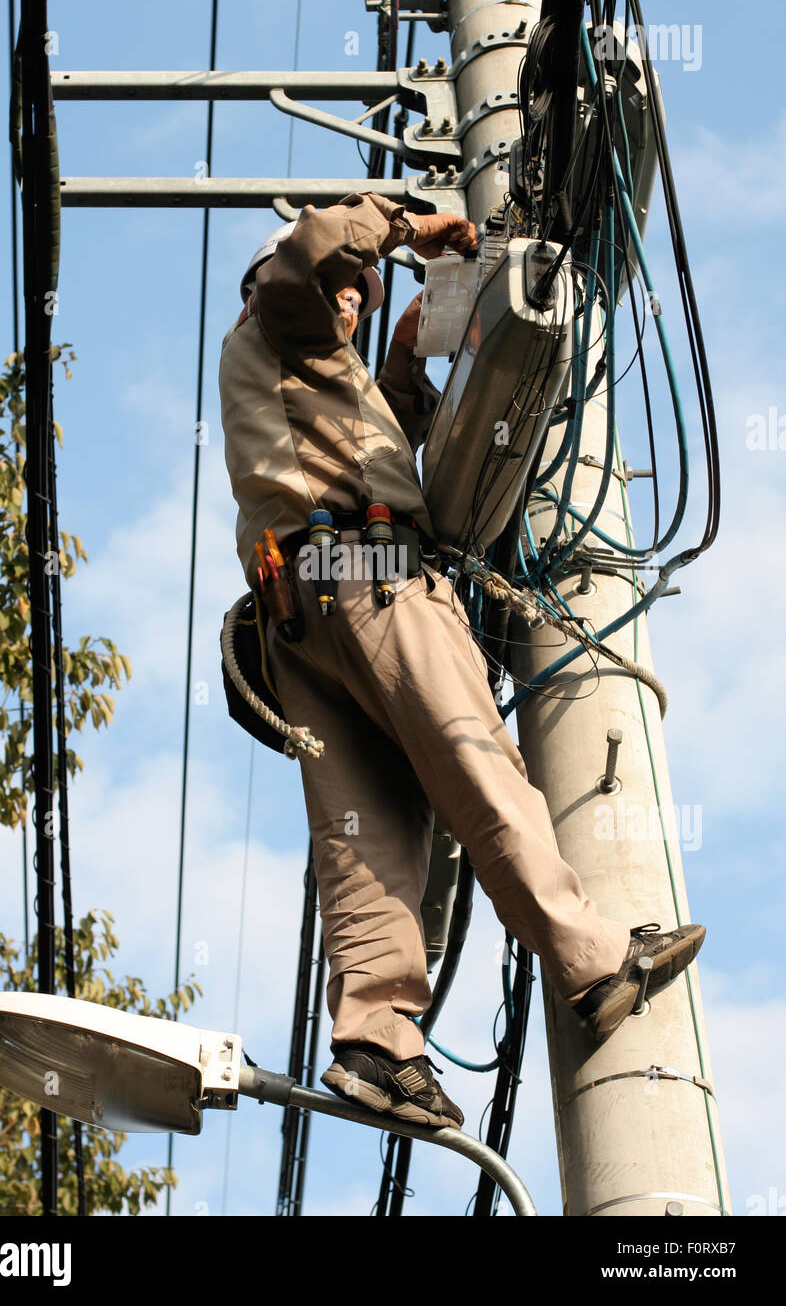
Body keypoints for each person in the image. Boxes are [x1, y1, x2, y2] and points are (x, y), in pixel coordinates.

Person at [218, 192, 705, 1131]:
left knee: (368, 844)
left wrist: (405, 350)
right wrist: (406, 225)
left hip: (303, 624)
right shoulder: (277, 312)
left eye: (360, 294)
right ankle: (593, 959)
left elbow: (382, 443)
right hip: (374, 583)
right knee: (475, 761)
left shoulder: (303, 372)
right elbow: (316, 245)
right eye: (345, 288)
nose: (352, 299)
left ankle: (375, 1046)